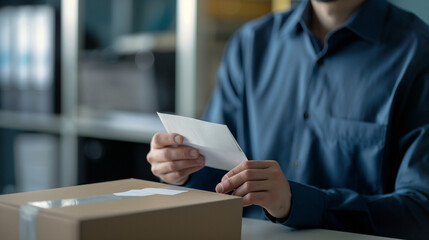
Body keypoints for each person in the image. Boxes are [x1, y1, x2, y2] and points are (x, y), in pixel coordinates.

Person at [146, 0, 429, 239]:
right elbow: (216, 175)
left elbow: (421, 210)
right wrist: (182, 168)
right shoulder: (250, 44)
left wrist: (297, 202)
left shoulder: (418, 54)